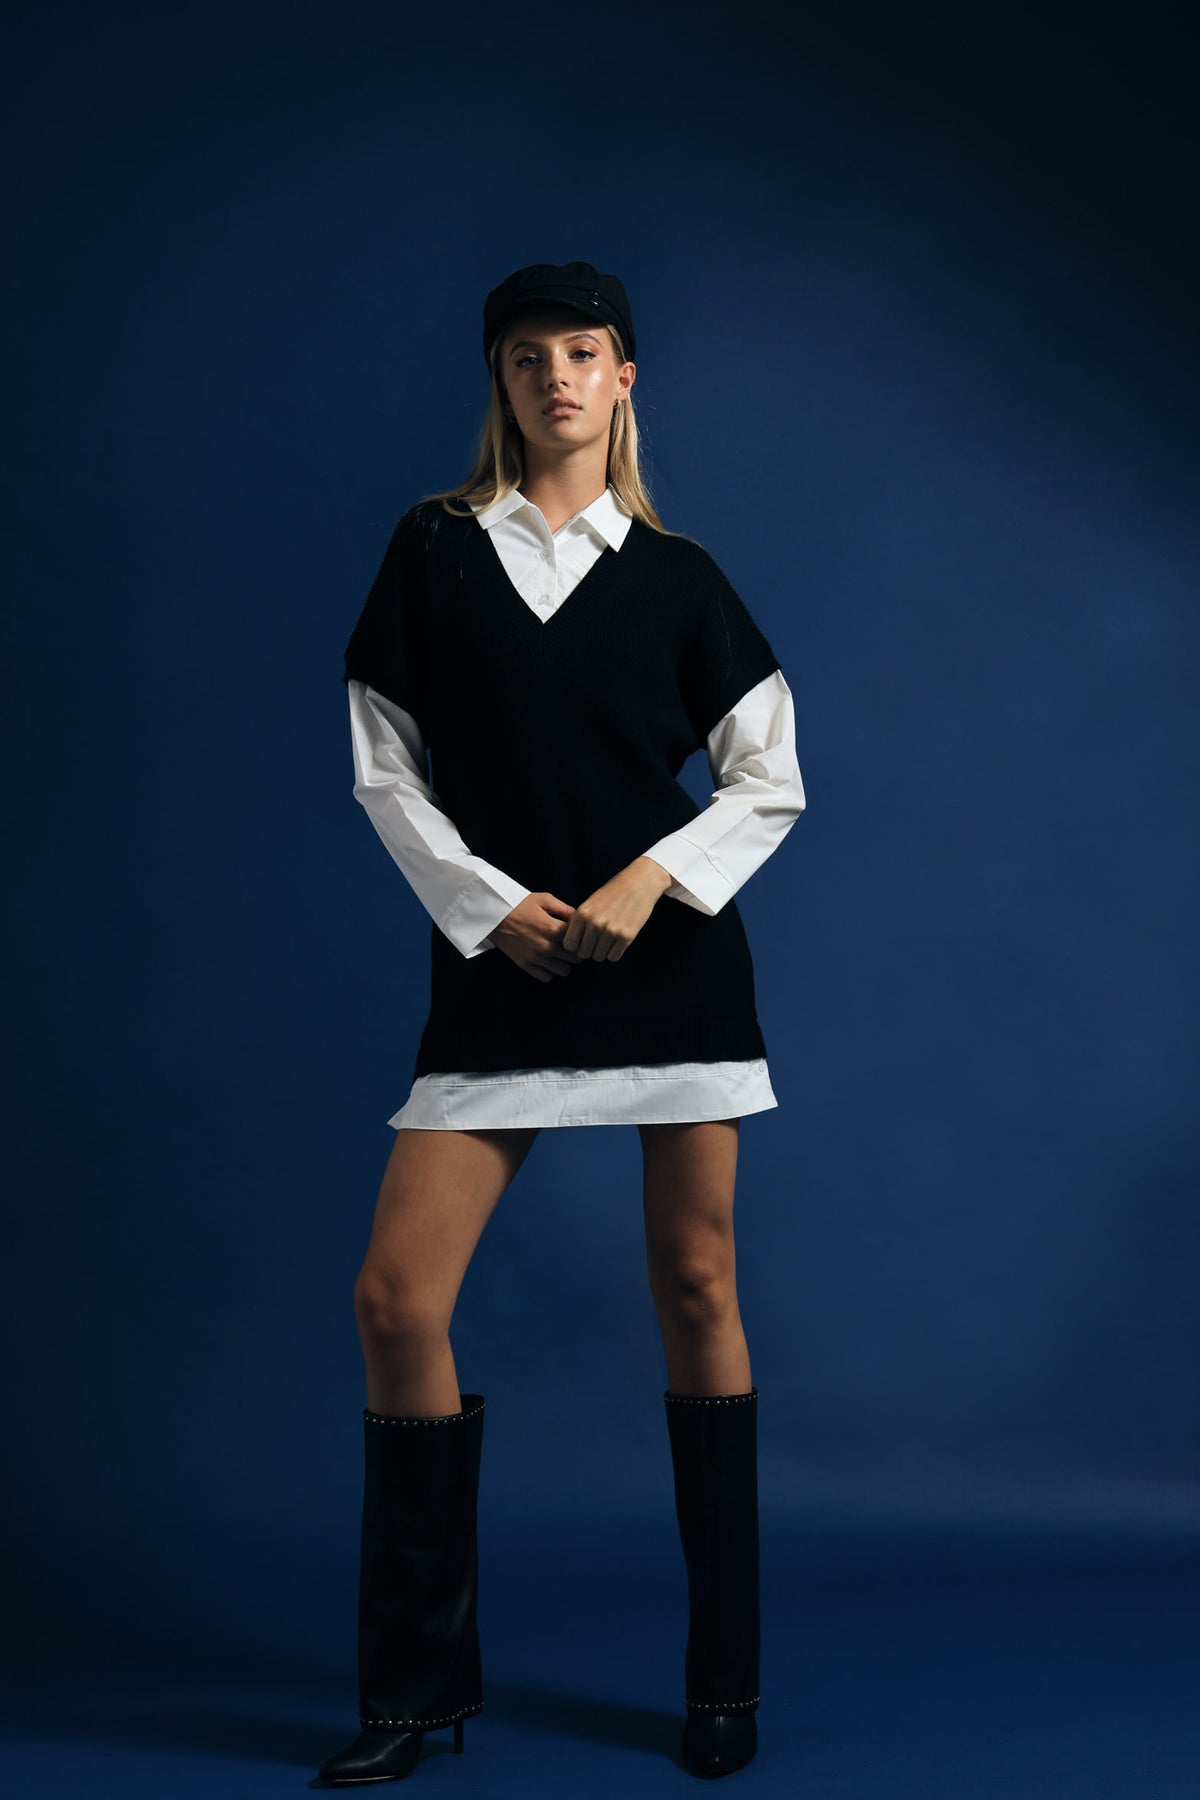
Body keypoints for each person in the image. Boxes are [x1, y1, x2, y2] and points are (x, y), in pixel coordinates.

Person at [317, 261, 806, 1787]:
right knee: (396, 1302)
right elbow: (384, 765)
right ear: (502, 381)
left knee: (698, 1281)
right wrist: (488, 909)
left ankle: (724, 1682)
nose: (556, 378)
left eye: (583, 352)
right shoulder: (435, 549)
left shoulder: (680, 575)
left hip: (671, 970)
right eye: (527, 357)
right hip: (501, 971)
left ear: (624, 376)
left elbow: (770, 777)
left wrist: (651, 880)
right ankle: (415, 1692)